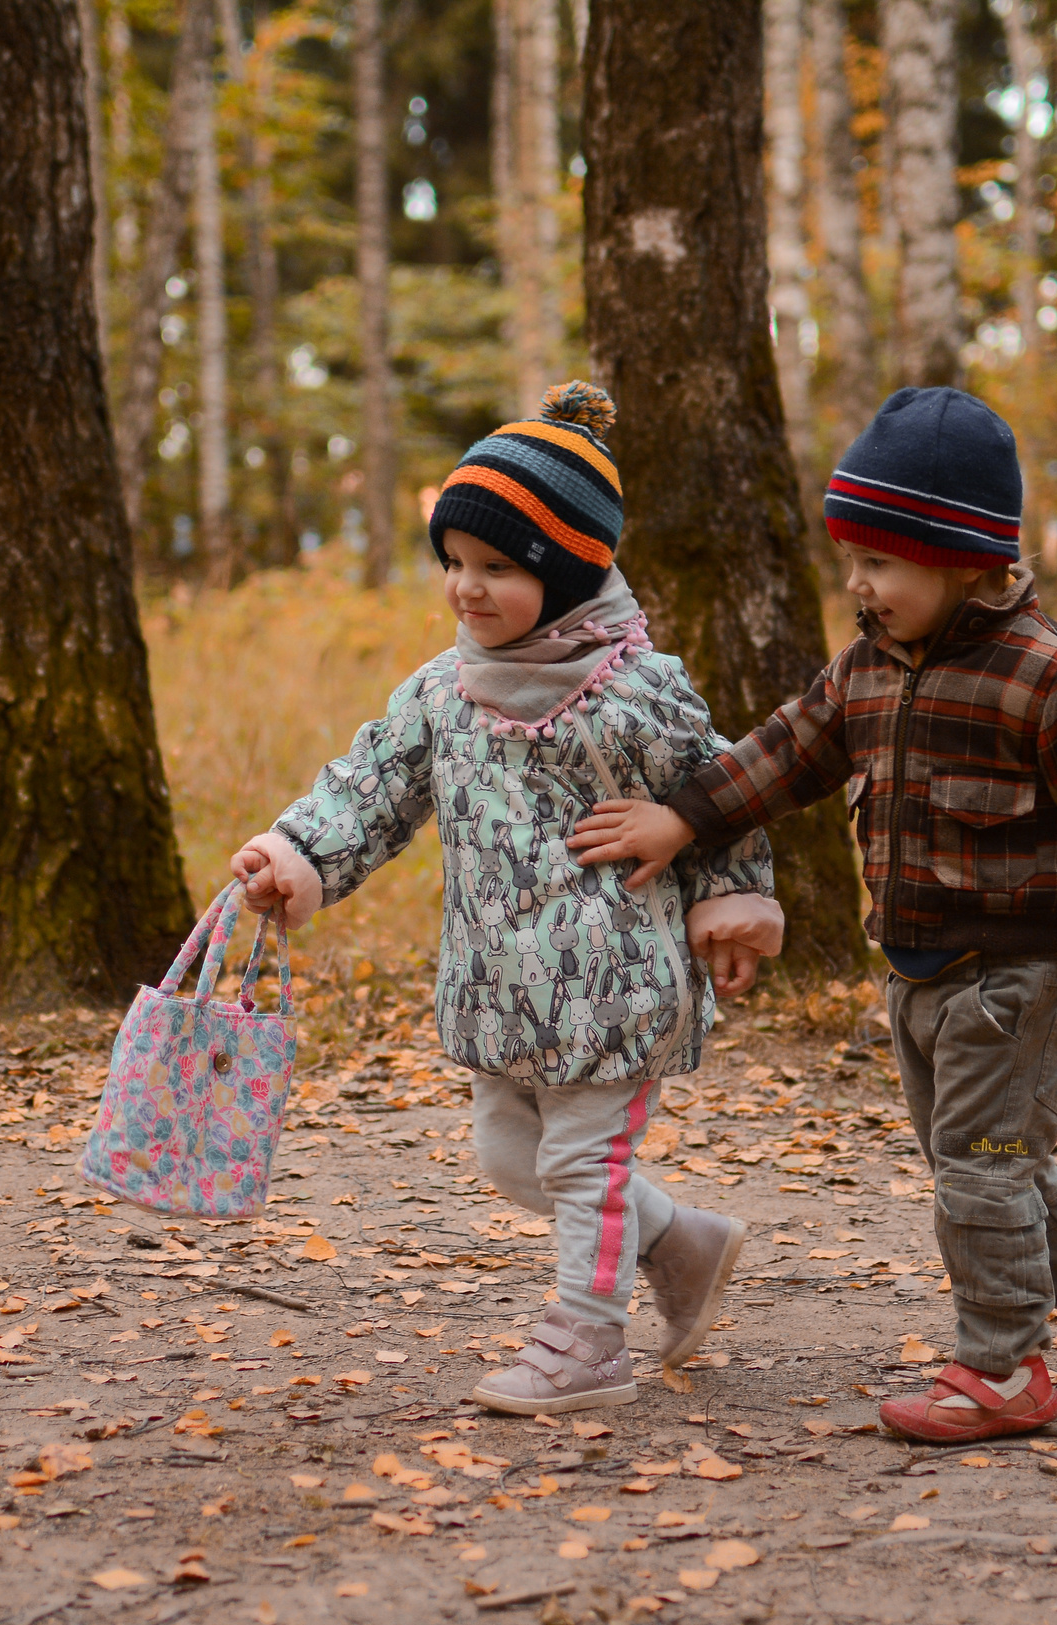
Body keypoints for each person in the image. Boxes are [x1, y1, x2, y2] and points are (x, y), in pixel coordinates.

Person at [566, 386, 1057, 1444]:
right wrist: (678, 819)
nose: (859, 584)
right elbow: (783, 753)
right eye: (853, 559)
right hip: (920, 978)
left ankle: (1002, 1364)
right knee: (988, 1162)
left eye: (883, 563)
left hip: (1016, 978)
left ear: (967, 560)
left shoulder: (1052, 678)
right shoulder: (865, 673)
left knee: (981, 1172)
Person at [232, 382, 786, 1416]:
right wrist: (295, 856)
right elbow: (372, 790)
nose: (466, 590)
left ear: (570, 573)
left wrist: (732, 899)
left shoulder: (634, 689)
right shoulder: (445, 692)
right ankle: (680, 1242)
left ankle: (587, 1339)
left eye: (497, 568)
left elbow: (718, 791)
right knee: (508, 1158)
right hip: (500, 983)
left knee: (582, 1162)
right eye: (454, 563)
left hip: (614, 979)